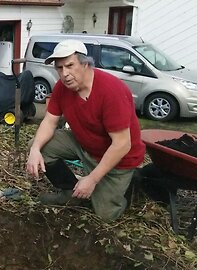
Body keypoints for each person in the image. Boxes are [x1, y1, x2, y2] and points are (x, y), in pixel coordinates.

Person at [26, 39, 145, 221]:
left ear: (85, 63)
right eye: (59, 68)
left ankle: (131, 184)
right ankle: (68, 191)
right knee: (38, 145)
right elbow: (50, 122)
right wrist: (35, 150)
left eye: (70, 65)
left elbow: (122, 144)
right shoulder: (62, 88)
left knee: (105, 216)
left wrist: (92, 179)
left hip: (118, 158)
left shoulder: (111, 91)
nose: (64, 74)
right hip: (84, 144)